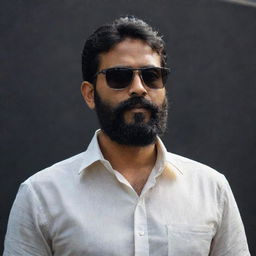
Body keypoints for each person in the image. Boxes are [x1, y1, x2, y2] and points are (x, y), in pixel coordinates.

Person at [4, 16, 250, 256]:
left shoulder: (211, 189)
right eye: (119, 77)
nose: (139, 88)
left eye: (152, 76)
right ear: (90, 94)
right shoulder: (41, 197)